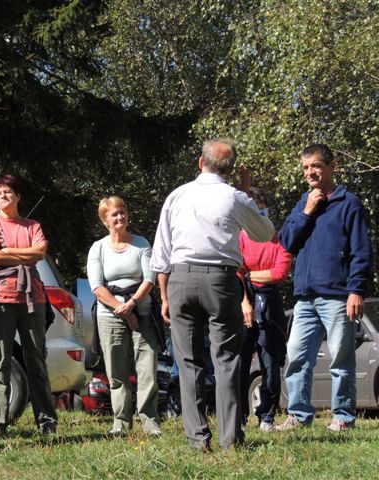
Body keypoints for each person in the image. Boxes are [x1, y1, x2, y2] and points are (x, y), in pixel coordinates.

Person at [150, 138, 275, 451]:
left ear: (199, 162)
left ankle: (198, 439)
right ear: (231, 170)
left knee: (188, 360)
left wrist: (164, 296)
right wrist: (247, 193)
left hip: (179, 278)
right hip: (220, 280)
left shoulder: (177, 195)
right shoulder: (233, 196)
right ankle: (231, 439)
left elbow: (161, 254)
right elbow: (264, 233)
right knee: (227, 359)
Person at [276, 144, 373, 432]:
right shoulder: (303, 202)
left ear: (332, 167)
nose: (310, 172)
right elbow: (287, 242)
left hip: (338, 295)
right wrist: (306, 211)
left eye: (316, 166)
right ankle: (298, 415)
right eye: (306, 168)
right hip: (305, 298)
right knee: (296, 355)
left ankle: (342, 417)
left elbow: (361, 251)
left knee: (341, 358)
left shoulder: (348, 203)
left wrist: (356, 290)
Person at [0, 174, 58, 439]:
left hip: (34, 300)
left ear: (18, 196)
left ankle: (47, 422)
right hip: (0, 301)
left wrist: (7, 252)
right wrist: (18, 254)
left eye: (8, 192)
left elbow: (40, 253)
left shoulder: (33, 225)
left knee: (37, 361)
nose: (3, 196)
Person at [86, 196, 162, 436]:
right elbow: (97, 286)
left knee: (147, 368)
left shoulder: (141, 244)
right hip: (109, 315)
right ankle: (120, 422)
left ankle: (150, 422)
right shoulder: (98, 247)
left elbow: (150, 278)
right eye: (114, 214)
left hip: (143, 310)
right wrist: (120, 308)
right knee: (116, 372)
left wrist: (131, 305)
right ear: (105, 220)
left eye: (122, 212)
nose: (120, 217)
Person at [238, 188, 292, 432]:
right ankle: (237, 415)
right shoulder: (239, 237)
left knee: (270, 362)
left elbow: (280, 272)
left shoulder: (278, 238)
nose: (258, 212)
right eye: (253, 208)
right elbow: (235, 271)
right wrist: (244, 302)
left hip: (270, 305)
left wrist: (250, 274)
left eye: (261, 207)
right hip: (243, 300)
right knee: (239, 362)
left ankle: (267, 416)